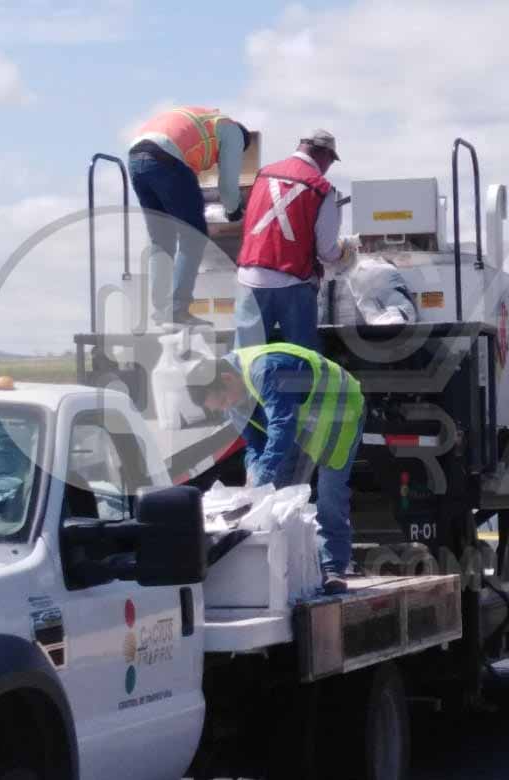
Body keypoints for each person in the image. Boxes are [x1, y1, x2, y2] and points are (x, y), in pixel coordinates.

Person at [186, 343, 365, 594]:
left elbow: (283, 425)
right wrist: (254, 475)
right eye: (221, 406)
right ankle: (289, 567)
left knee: (329, 494)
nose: (227, 407)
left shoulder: (266, 370)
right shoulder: (233, 397)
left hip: (337, 411)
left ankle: (332, 567)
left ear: (227, 379)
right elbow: (254, 443)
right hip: (301, 421)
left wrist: (264, 475)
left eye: (225, 400)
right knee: (279, 497)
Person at [129, 106, 251, 328]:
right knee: (193, 236)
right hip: (166, 159)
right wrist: (234, 212)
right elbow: (227, 185)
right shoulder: (233, 132)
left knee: (161, 240)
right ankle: (177, 310)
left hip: (136, 159)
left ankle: (161, 311)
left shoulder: (204, 119)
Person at [234, 130, 351, 349]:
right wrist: (345, 251)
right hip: (292, 282)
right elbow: (327, 251)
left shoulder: (262, 175)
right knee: (302, 360)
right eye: (331, 161)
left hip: (249, 278)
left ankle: (242, 383)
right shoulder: (322, 189)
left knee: (245, 357)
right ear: (325, 155)